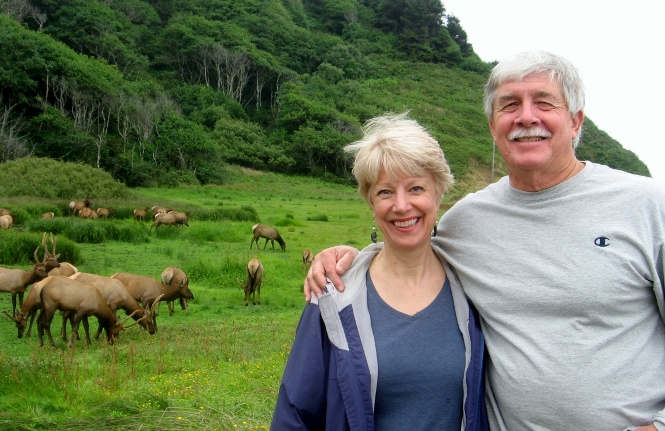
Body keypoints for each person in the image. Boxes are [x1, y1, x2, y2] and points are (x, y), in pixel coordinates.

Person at [305, 50, 665, 431]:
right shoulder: (466, 222)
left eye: (543, 102)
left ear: (575, 122)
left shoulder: (647, 206)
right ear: (493, 126)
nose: (527, 116)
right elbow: (410, 244)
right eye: (510, 104)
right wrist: (346, 259)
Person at [271, 112, 488, 430]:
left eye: (416, 188)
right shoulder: (333, 296)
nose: (401, 206)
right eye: (386, 192)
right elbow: (295, 415)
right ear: (370, 201)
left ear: (439, 194)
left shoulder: (473, 287)